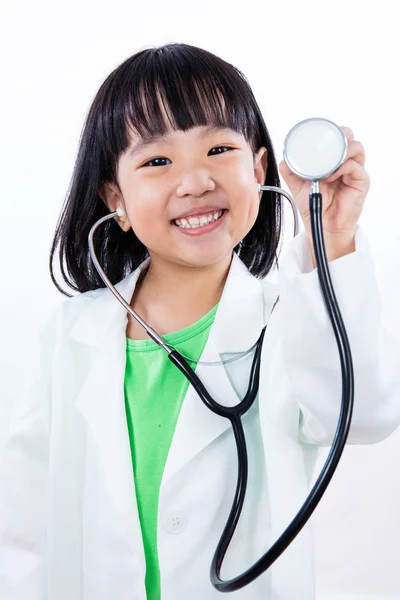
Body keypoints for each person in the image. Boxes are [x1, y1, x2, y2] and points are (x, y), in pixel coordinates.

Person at [1, 42, 399, 600]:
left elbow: (362, 418)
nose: (195, 181)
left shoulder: (292, 321)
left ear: (258, 168)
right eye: (157, 161)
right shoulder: (71, 336)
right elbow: (22, 528)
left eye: (218, 148)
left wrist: (330, 241)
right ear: (115, 197)